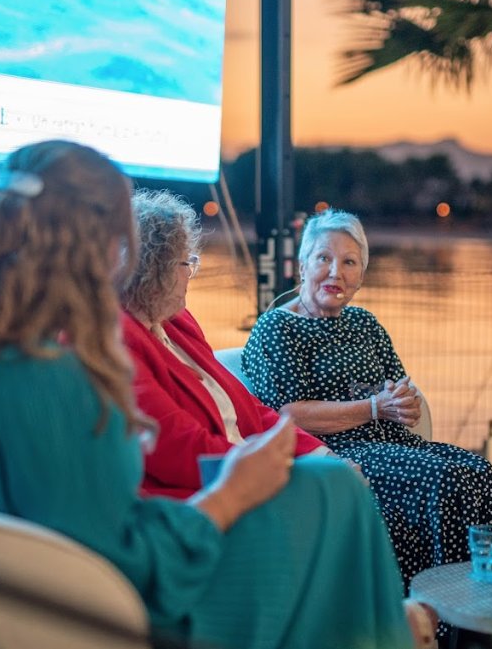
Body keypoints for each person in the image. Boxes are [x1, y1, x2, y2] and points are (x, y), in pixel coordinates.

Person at [0, 142, 428, 649]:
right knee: (332, 500)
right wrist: (231, 494)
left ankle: (376, 627)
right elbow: (131, 564)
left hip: (16, 591)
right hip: (114, 606)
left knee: (331, 495)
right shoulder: (46, 378)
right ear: (103, 251)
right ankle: (382, 629)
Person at [242, 208, 492, 586]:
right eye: (323, 258)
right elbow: (287, 413)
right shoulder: (278, 327)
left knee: (477, 470)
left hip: (390, 442)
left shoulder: (365, 322)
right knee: (443, 479)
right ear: (302, 265)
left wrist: (405, 401)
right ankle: (448, 611)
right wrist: (374, 408)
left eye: (349, 262)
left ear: (361, 276)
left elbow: (399, 388)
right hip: (332, 450)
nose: (335, 272)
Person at [120, 190, 333, 499]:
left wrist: (321, 456)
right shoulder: (121, 339)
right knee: (341, 498)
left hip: (246, 467)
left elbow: (248, 409)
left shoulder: (178, 322)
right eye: (186, 263)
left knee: (344, 481)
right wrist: (280, 472)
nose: (191, 275)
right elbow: (178, 447)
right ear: (156, 270)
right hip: (211, 490)